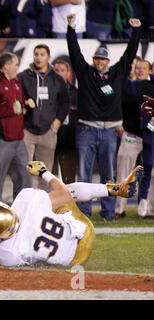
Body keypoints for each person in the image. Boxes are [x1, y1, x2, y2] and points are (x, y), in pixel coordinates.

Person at [0, 161, 143, 267]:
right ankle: (118, 188)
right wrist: (44, 172)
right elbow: (64, 194)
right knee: (66, 191)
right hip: (84, 234)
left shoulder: (6, 255)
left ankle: (121, 188)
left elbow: (11, 248)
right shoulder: (26, 200)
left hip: (74, 260)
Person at [66, 13, 141, 221]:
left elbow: (129, 54)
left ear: (108, 61)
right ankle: (84, 213)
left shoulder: (117, 73)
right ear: (94, 60)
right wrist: (71, 29)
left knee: (109, 175)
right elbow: (74, 52)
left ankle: (108, 213)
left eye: (103, 59)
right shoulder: (84, 72)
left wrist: (136, 31)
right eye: (97, 58)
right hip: (86, 129)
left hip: (109, 131)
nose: (100, 62)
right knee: (84, 175)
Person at [0, 52, 34, 204]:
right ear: (6, 66)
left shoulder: (16, 83)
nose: (18, 67)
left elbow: (20, 104)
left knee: (24, 176)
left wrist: (27, 104)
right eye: (15, 64)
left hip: (18, 140)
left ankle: (21, 209)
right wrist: (12, 110)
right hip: (0, 139)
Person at [17, 44, 70, 192]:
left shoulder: (57, 79)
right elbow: (15, 97)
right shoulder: (23, 77)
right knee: (23, 169)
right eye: (36, 54)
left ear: (48, 57)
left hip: (48, 130)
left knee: (45, 173)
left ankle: (43, 204)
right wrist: (24, 102)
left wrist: (58, 120)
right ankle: (23, 201)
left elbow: (65, 102)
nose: (38, 57)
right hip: (27, 129)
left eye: (42, 54)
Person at [115, 59, 149, 219]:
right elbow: (115, 104)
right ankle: (119, 209)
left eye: (144, 68)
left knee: (152, 173)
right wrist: (118, 122)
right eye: (138, 68)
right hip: (131, 134)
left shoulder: (151, 87)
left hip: (150, 136)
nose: (141, 70)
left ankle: (149, 209)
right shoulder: (127, 86)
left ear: (149, 71)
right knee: (124, 171)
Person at [52, 59, 78, 185]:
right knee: (48, 178)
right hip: (50, 139)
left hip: (69, 141)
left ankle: (68, 204)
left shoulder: (76, 93)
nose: (59, 73)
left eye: (62, 70)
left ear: (68, 73)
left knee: (69, 180)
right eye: (56, 70)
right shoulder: (48, 91)